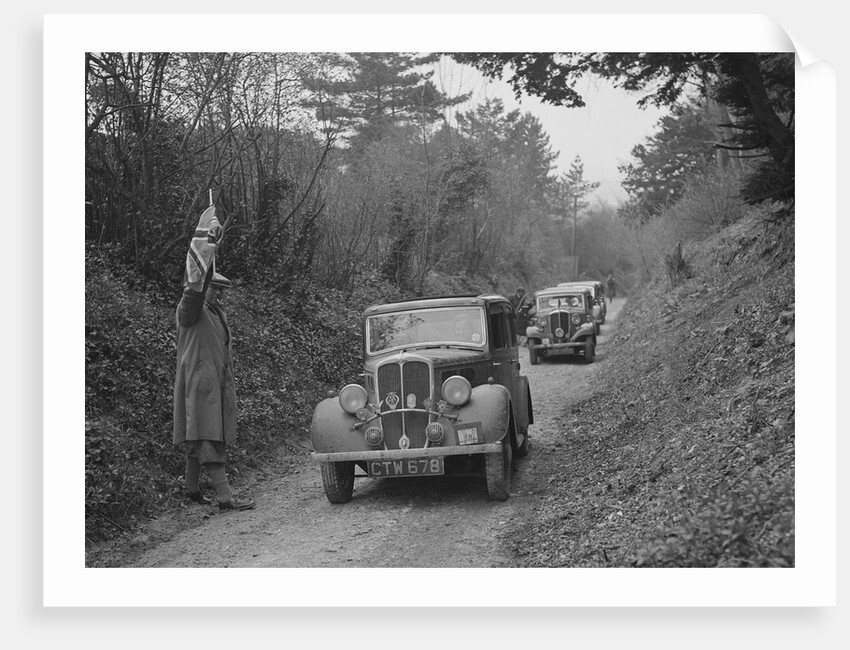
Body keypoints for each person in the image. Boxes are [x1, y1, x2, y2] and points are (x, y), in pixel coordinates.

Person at [173, 267, 255, 512]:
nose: (219, 293)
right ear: (202, 287)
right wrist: (201, 270)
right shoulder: (191, 309)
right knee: (208, 437)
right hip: (199, 385)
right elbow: (192, 296)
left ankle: (192, 489)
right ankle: (224, 496)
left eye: (222, 289)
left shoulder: (215, 312)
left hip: (213, 385)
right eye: (215, 287)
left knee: (197, 436)